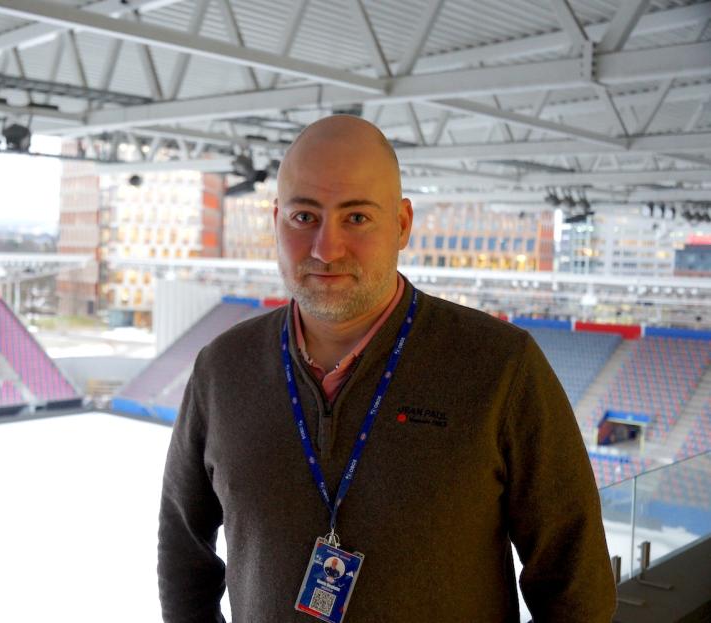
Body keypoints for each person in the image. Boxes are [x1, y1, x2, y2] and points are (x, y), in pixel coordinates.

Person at [158, 115, 616, 622]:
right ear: (275, 219)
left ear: (402, 224)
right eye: (303, 216)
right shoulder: (222, 368)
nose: (325, 249)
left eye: (356, 218)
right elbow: (183, 549)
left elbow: (576, 586)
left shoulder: (500, 366)